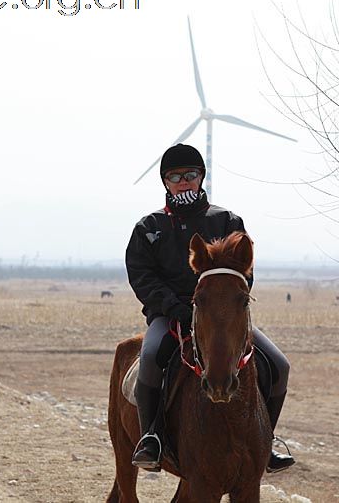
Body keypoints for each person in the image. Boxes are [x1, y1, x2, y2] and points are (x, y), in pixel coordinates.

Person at [125, 143, 295, 473]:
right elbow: (141, 276)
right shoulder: (149, 228)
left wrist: (224, 308)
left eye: (191, 175)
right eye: (176, 177)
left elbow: (244, 271)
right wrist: (174, 306)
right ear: (165, 182)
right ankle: (151, 438)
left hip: (221, 318)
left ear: (201, 177)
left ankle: (266, 441)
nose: (184, 182)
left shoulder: (228, 220)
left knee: (279, 364)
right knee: (150, 359)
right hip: (170, 315)